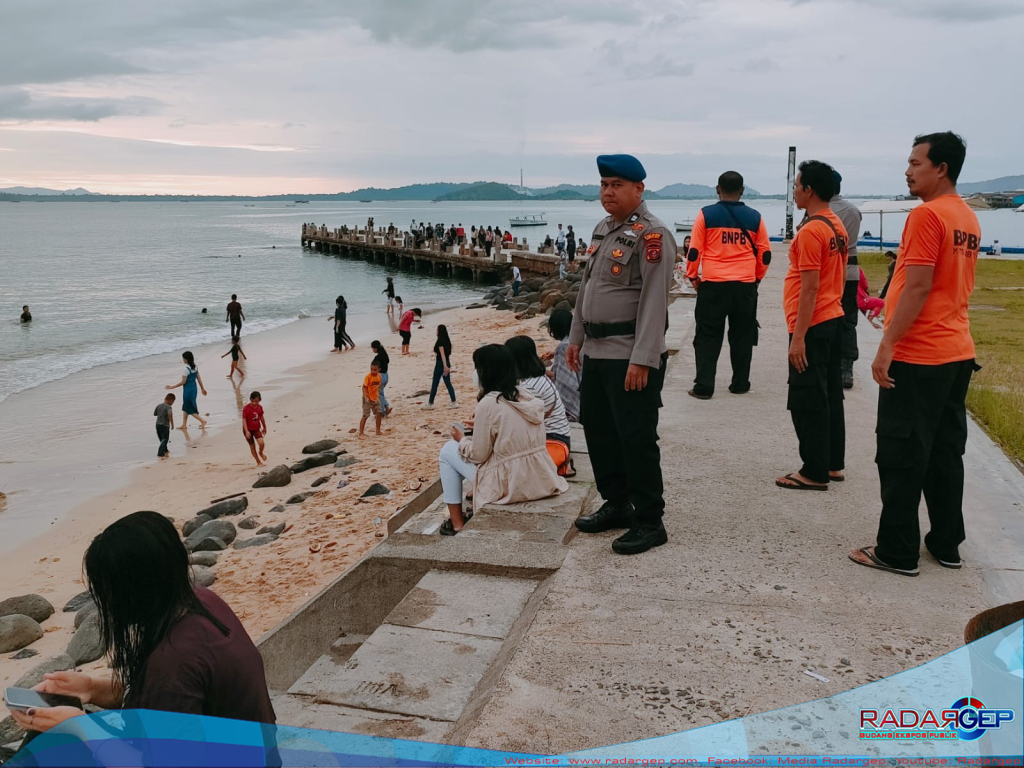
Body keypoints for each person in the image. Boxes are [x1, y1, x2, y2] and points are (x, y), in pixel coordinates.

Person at [6, 512, 275, 737]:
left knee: (49, 740)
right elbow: (172, 697)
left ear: (133, 591)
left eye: (107, 591)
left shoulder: (175, 659)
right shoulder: (199, 600)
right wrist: (90, 687)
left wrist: (81, 727)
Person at [850, 131, 981, 578]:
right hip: (957, 350)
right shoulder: (967, 217)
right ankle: (946, 544)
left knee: (901, 453)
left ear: (940, 168)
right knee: (945, 453)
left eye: (915, 163)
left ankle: (897, 551)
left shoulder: (927, 215)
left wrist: (886, 345)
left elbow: (921, 284)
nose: (907, 171)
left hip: (920, 353)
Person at [567, 154, 676, 555]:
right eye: (603, 185)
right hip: (596, 351)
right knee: (600, 433)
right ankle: (617, 503)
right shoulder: (603, 229)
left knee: (636, 438)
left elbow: (654, 303)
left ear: (638, 189)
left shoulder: (653, 235)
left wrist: (642, 359)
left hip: (628, 354)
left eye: (616, 185)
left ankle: (650, 520)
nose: (607, 192)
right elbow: (587, 287)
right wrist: (575, 338)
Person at [436, 344, 568, 535]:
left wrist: (462, 439)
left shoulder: (488, 403)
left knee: (448, 451)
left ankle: (457, 523)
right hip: (540, 476)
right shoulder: (524, 395)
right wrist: (481, 426)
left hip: (510, 483)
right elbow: (511, 428)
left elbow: (479, 455)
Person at [776, 160, 848, 492]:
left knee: (807, 399)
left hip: (813, 322)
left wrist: (798, 338)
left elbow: (810, 288)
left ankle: (814, 470)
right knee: (830, 394)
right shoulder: (836, 225)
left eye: (796, 186)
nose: (794, 192)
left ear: (809, 190)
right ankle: (832, 463)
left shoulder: (812, 231)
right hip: (833, 316)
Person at [686, 170, 772, 399]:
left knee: (706, 337)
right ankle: (740, 383)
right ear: (742, 191)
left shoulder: (705, 215)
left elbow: (694, 251)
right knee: (742, 336)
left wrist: (694, 278)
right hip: (744, 285)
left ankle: (704, 387)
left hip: (713, 284)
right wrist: (756, 279)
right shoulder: (755, 217)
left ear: (717, 189)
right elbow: (764, 254)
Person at [828, 172, 864, 389]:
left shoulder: (821, 212)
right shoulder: (853, 210)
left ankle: (829, 363)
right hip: (850, 271)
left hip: (828, 273)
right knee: (848, 320)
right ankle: (846, 367)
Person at [505, 335, 571, 446]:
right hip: (559, 434)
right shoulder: (537, 377)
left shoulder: (530, 387)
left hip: (553, 440)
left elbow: (521, 420)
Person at [546, 308, 581, 423]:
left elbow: (565, 381)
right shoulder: (579, 341)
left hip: (577, 402)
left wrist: (540, 370)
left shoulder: (563, 348)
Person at [166, 351, 208, 429]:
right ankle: (184, 425)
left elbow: (183, 382)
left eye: (183, 358)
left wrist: (172, 387)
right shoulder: (195, 367)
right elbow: (198, 378)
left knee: (189, 408)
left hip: (188, 390)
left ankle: (202, 421)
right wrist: (202, 388)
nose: (183, 360)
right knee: (186, 406)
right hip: (194, 389)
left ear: (186, 359)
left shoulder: (186, 370)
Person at [425, 324, 457, 408]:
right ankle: (454, 402)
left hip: (441, 364)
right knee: (448, 383)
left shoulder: (440, 341)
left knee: (435, 383)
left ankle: (430, 403)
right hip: (447, 362)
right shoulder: (447, 341)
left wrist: (445, 366)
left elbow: (442, 354)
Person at [242, 391, 268, 466]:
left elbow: (261, 417)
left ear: (260, 400)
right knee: (252, 446)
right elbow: (244, 421)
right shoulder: (246, 408)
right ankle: (258, 462)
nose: (254, 403)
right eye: (252, 401)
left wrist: (264, 427)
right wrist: (246, 431)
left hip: (256, 428)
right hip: (247, 429)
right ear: (250, 399)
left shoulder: (260, 408)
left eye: (256, 401)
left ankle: (261, 452)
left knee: (261, 443)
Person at [359, 361, 384, 437]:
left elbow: (377, 387)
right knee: (365, 415)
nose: (373, 371)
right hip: (367, 399)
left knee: (379, 413)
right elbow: (364, 387)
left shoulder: (379, 377)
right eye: (371, 369)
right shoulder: (368, 377)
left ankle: (378, 430)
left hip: (375, 398)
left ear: (379, 369)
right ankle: (361, 433)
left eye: (375, 370)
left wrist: (377, 396)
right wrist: (365, 397)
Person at [371, 340, 392, 416]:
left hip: (380, 377)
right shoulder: (384, 354)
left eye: (373, 348)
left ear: (375, 348)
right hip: (386, 375)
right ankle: (387, 407)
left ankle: (382, 412)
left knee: (379, 394)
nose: (373, 350)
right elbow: (388, 361)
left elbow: (373, 367)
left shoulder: (377, 357)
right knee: (380, 393)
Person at [155, 393, 175, 458]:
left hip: (157, 424)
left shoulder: (158, 406)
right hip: (165, 425)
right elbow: (169, 414)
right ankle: (160, 453)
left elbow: (155, 414)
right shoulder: (169, 407)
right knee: (165, 439)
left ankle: (165, 450)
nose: (172, 403)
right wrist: (172, 423)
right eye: (173, 401)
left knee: (161, 438)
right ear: (171, 400)